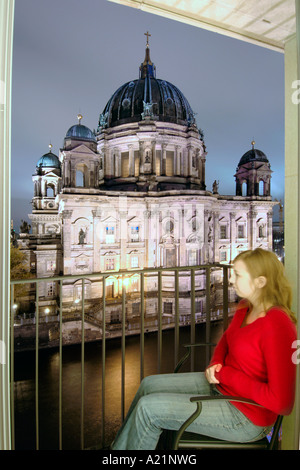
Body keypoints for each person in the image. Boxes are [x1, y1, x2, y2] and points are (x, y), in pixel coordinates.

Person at [111, 248, 297, 450]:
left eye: (238, 275)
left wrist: (225, 375)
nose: (231, 280)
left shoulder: (278, 324)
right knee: (148, 384)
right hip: (222, 387)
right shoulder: (246, 306)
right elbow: (227, 340)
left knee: (148, 410)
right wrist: (216, 362)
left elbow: (282, 403)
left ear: (260, 282)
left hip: (246, 417)